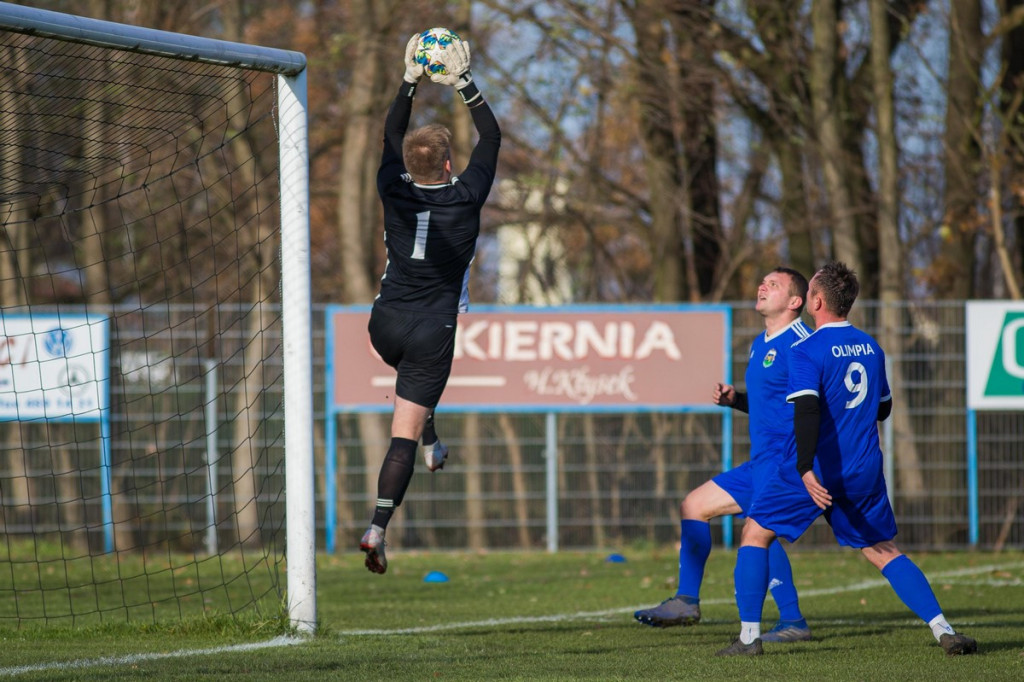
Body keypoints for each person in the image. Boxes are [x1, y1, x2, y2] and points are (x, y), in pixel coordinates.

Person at [717, 261, 977, 656]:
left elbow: (806, 412)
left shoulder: (806, 349)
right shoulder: (871, 347)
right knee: (882, 550)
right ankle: (944, 630)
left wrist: (805, 469)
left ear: (816, 302)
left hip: (821, 469)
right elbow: (883, 409)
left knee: (755, 533)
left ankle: (749, 639)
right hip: (864, 469)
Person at [360, 33, 500, 574]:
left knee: (412, 389)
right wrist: (463, 82)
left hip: (383, 324)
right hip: (430, 330)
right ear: (447, 165)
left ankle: (432, 442)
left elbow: (392, 133)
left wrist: (408, 80)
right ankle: (377, 527)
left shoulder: (391, 186)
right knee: (404, 433)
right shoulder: (467, 196)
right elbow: (492, 134)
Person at [635, 267, 813, 643]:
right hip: (761, 460)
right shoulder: (761, 342)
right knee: (694, 505)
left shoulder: (802, 343)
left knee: (759, 531)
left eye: (774, 284)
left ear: (795, 301)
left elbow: (814, 406)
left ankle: (793, 621)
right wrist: (737, 401)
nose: (762, 286)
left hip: (786, 460)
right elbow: (774, 403)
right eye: (763, 281)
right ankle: (687, 601)